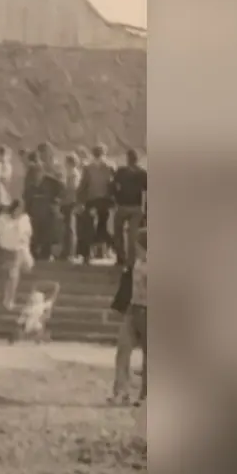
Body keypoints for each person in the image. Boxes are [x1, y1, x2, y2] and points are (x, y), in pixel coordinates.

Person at [109, 229, 148, 404]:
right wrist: (120, 306)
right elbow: (127, 285)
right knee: (123, 349)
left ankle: (146, 395)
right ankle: (121, 391)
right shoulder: (136, 263)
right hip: (133, 310)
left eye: (138, 245)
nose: (135, 249)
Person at [0, 199, 34, 309]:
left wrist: (27, 251)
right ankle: (6, 298)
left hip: (18, 250)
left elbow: (27, 236)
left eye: (20, 210)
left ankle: (10, 299)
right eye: (16, 210)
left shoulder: (25, 219)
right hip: (4, 250)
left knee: (13, 274)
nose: (17, 213)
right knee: (8, 274)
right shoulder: (3, 219)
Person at [111, 148, 148, 265]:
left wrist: (116, 198)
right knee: (132, 235)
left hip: (123, 206)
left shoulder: (121, 172)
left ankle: (121, 257)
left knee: (118, 232)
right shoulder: (142, 173)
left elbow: (113, 186)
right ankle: (130, 261)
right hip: (136, 207)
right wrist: (146, 210)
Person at [80, 144, 116, 263]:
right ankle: (110, 249)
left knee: (90, 227)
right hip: (104, 201)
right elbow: (113, 185)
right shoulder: (109, 166)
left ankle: (88, 253)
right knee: (102, 226)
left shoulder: (88, 168)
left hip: (92, 200)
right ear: (104, 153)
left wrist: (81, 200)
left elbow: (83, 185)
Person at [60, 153, 85, 262]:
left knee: (70, 228)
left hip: (70, 202)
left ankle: (70, 252)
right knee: (67, 227)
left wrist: (63, 190)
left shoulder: (74, 174)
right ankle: (66, 251)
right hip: (67, 202)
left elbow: (72, 189)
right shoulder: (71, 173)